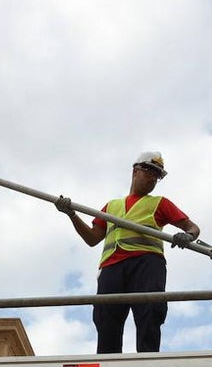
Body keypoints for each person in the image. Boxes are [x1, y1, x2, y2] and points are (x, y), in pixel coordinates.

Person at [56, 151, 200, 354]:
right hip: (111, 267)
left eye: (157, 175)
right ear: (135, 171)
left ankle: (148, 365)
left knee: (149, 312)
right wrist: (71, 214)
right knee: (106, 318)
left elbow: (192, 227)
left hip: (146, 264)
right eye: (149, 171)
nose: (152, 178)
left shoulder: (159, 203)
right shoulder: (111, 206)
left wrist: (188, 236)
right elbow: (92, 238)